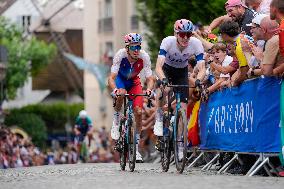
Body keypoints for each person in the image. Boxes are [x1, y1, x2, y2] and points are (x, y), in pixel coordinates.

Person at [154, 19, 205, 137]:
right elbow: (158, 67)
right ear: (175, 34)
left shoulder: (196, 43)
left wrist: (198, 80)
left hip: (181, 71)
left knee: (182, 107)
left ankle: (180, 142)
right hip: (166, 68)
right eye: (182, 34)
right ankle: (159, 116)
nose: (186, 38)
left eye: (189, 34)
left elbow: (202, 68)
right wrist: (163, 79)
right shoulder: (167, 41)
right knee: (164, 90)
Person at [108, 33, 154, 162]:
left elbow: (150, 78)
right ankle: (116, 120)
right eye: (133, 47)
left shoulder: (144, 56)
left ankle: (136, 148)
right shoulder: (120, 55)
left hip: (134, 82)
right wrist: (115, 90)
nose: (136, 50)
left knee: (138, 112)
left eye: (138, 47)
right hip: (121, 81)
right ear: (127, 48)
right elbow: (111, 78)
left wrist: (149, 89)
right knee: (121, 93)